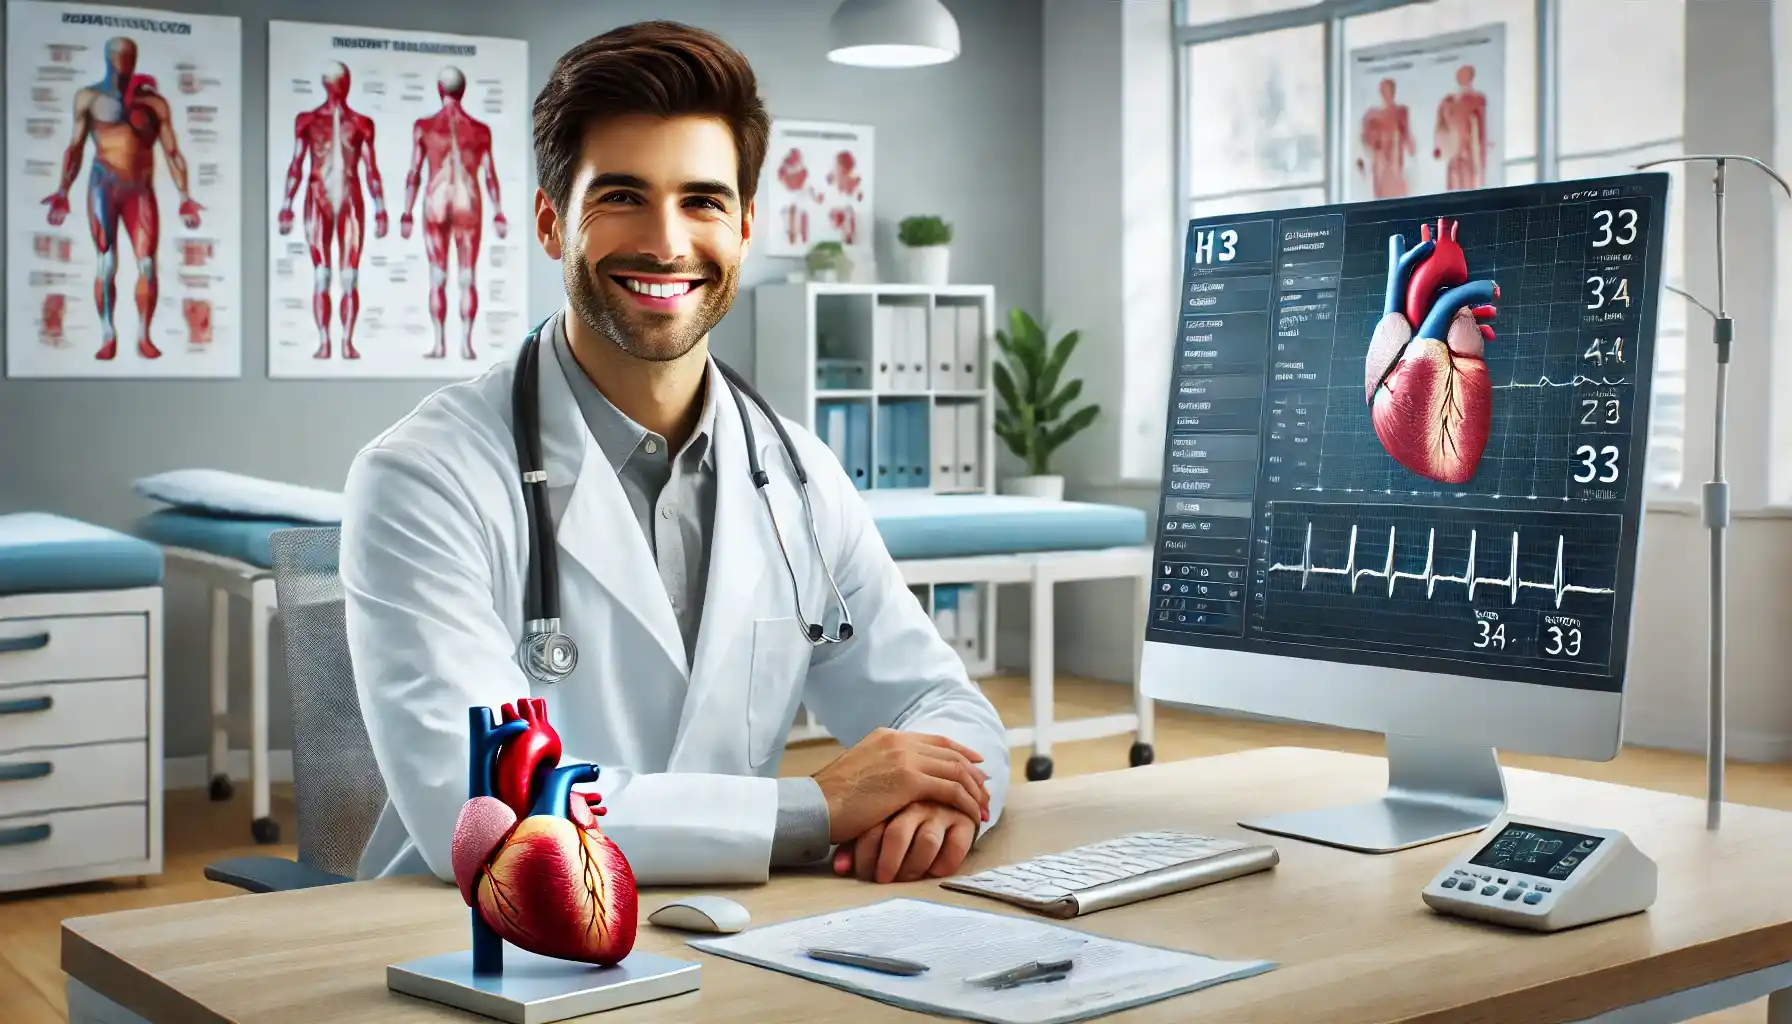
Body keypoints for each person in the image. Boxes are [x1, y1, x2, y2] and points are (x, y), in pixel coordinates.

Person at [340, 21, 1010, 890]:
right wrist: (811, 808)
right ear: (551, 223)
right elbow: (485, 813)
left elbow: (944, 707)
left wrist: (941, 800)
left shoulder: (796, 475)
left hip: (729, 938)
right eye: (621, 196)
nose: (666, 241)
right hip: (476, 948)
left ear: (742, 229)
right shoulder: (425, 480)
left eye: (702, 201)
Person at [43, 36, 202, 361]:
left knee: (146, 264)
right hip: (104, 186)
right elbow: (74, 148)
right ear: (108, 59)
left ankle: (144, 335)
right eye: (118, 57)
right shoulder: (88, 98)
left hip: (139, 192)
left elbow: (172, 152)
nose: (123, 63)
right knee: (106, 262)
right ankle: (107, 333)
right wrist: (63, 192)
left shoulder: (154, 104)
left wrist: (185, 195)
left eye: (128, 57)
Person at [276, 61, 388, 361]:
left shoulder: (361, 123)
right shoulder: (308, 121)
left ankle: (346, 342)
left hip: (350, 199)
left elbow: (371, 169)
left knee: (348, 276)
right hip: (318, 199)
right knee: (323, 274)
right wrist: (286, 205)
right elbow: (296, 165)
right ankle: (326, 341)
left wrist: (380, 208)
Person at [398, 66, 508, 362]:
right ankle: (466, 346)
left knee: (438, 276)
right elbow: (490, 176)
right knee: (467, 276)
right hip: (468, 202)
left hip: (436, 200)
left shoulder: (424, 126)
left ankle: (439, 345)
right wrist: (498, 213)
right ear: (463, 91)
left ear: (439, 89)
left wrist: (406, 212)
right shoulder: (480, 130)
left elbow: (414, 173)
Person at [1355, 78, 1414, 199]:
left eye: (1389, 90)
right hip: (1380, 165)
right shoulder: (1371, 115)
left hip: (1396, 165)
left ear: (1394, 92)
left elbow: (1407, 137)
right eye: (1383, 91)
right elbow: (1364, 140)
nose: (1386, 94)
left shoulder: (1401, 112)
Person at [1433, 64, 1490, 191]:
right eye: (1460, 75)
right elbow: (1440, 126)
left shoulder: (1477, 100)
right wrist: (1438, 146)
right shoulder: (1447, 101)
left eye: (1465, 75)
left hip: (1468, 154)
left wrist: (1481, 162)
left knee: (1469, 187)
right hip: (1454, 155)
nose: (1462, 78)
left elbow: (1481, 131)